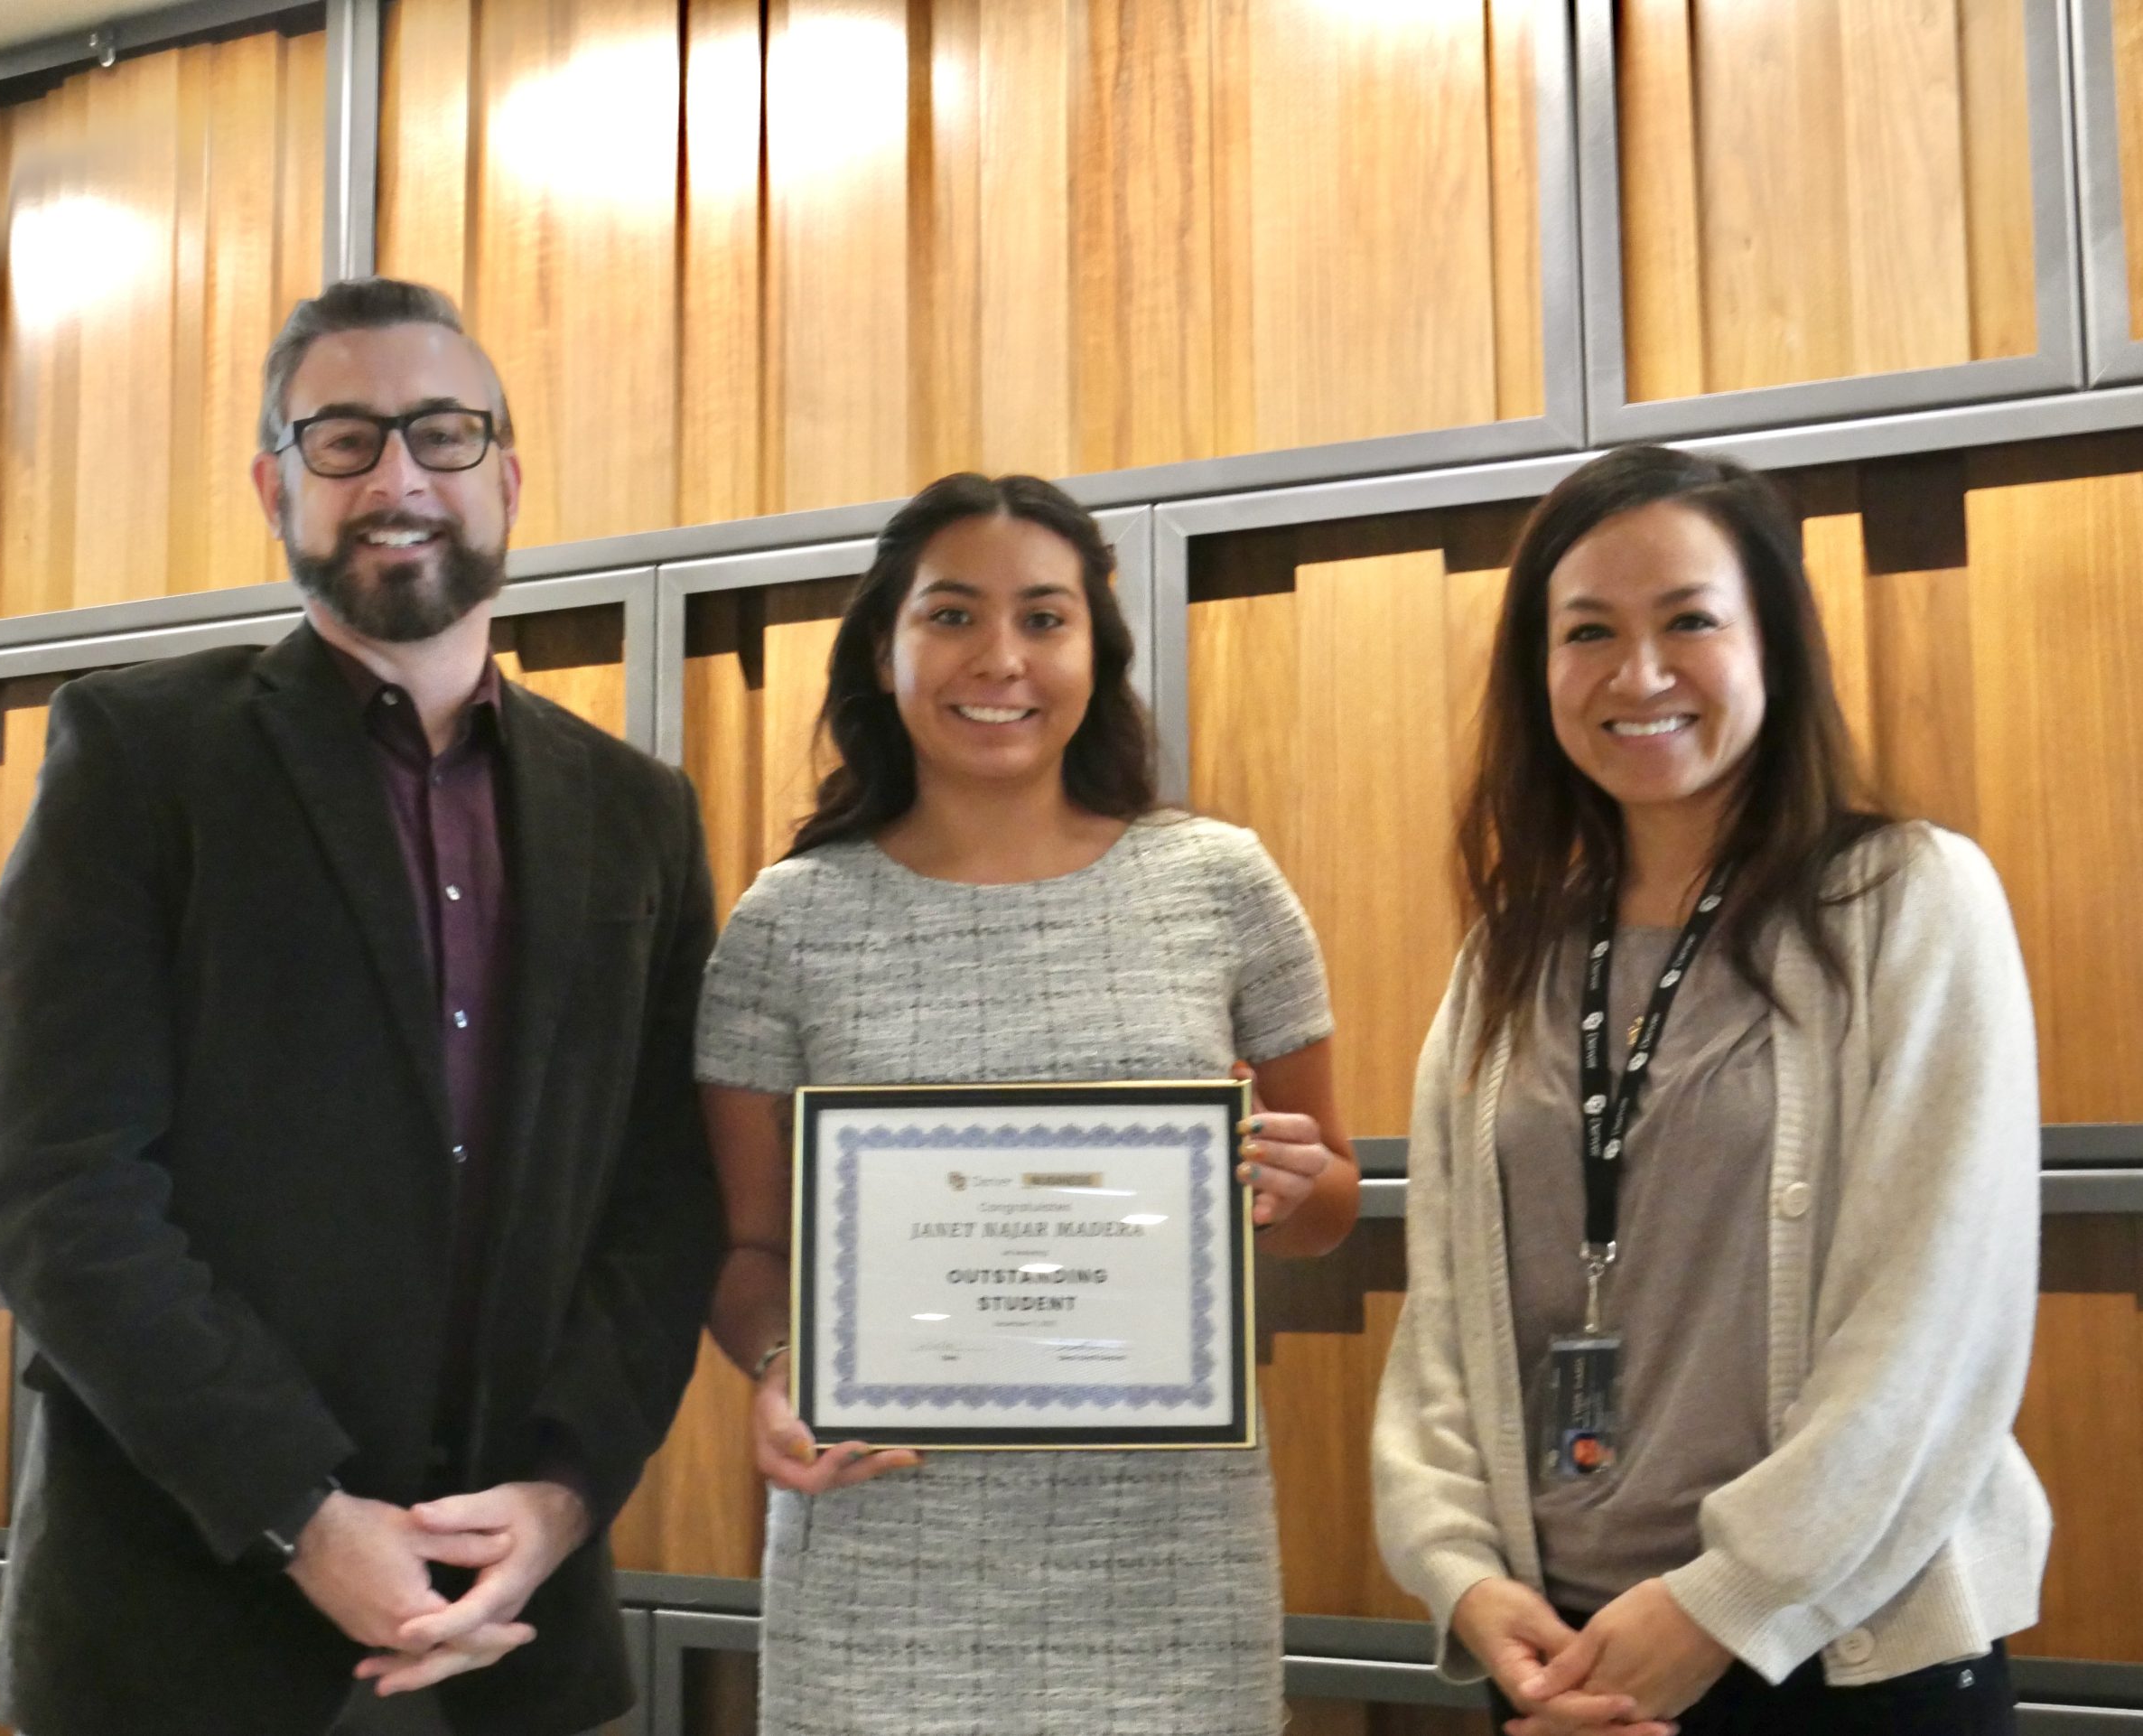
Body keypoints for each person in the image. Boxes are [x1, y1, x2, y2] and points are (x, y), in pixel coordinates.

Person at [0, 277, 721, 1736]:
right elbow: (56, 1189)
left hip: (518, 1631)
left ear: (506, 471)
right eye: (344, 439)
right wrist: (303, 1512)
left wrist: (561, 1499)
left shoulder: (637, 812)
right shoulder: (138, 754)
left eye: (442, 434)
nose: (398, 477)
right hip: (183, 1622)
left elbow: (667, 1196)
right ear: (274, 483)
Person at [1372, 444, 2049, 1736]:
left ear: (1773, 644)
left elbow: (1937, 1316)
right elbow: (1444, 1322)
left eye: (1690, 619)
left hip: (1842, 1653)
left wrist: (1727, 1599)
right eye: (1588, 632)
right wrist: (1461, 1573)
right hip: (1563, 1657)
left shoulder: (1907, 898)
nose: (1639, 674)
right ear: (1539, 668)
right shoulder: (1507, 953)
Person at [695, 471, 1360, 1735]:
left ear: (1096, 651)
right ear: (884, 649)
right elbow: (747, 1252)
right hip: (879, 1545)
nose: (1000, 657)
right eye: (952, 614)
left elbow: (1325, 1195)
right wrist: (777, 1370)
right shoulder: (788, 923)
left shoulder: (1220, 886)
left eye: (1045, 618)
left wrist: (1293, 1181)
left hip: (1164, 1556)